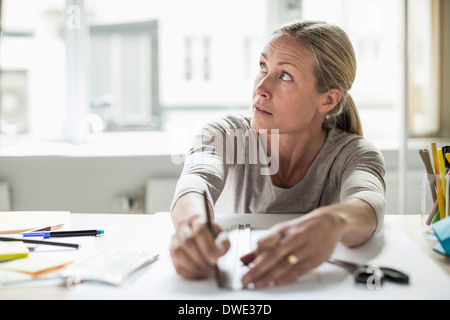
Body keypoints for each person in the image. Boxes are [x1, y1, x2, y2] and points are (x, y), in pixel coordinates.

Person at [169, 20, 386, 288]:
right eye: (263, 66)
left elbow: (369, 201)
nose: (261, 87)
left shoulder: (354, 154)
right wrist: (192, 223)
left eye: (284, 75)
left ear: (327, 100)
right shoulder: (223, 134)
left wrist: (335, 221)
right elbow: (195, 179)